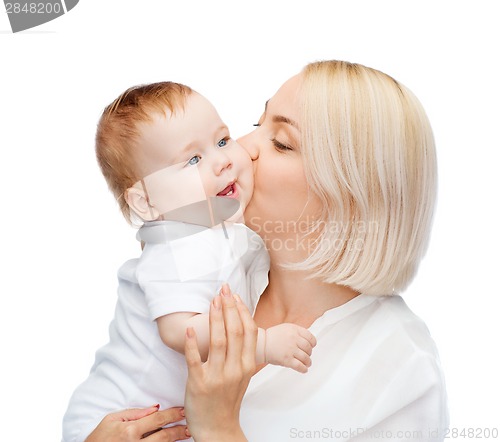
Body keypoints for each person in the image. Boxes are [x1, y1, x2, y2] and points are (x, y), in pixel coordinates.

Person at [86, 59, 449, 441]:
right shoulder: (215, 263)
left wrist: (219, 427)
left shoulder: (402, 370)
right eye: (258, 124)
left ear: (353, 195)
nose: (242, 149)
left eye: (281, 142)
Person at [62, 82, 317, 442]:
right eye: (193, 160)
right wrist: (263, 344)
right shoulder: (178, 246)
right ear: (146, 202)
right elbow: (180, 331)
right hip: (115, 417)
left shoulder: (220, 230)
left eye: (223, 140)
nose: (223, 160)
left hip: (167, 419)